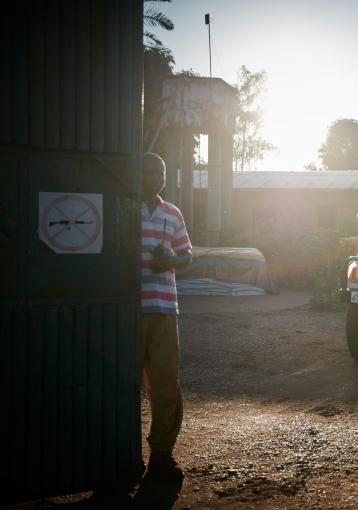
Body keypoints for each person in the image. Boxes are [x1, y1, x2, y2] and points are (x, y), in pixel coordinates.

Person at [140, 153, 192, 482]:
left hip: (164, 310)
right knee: (120, 387)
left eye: (159, 171)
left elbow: (188, 254)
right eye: (146, 170)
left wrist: (172, 257)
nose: (153, 176)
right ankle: (120, 458)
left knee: (166, 385)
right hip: (128, 311)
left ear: (164, 177)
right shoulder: (123, 208)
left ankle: (161, 455)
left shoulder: (173, 213)